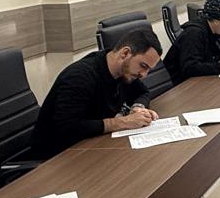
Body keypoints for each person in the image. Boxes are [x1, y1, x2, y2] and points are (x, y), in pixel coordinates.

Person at [31, 27, 162, 158]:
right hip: (56, 157)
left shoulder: (124, 72)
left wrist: (138, 108)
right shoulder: (80, 77)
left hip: (92, 146)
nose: (144, 74)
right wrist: (124, 122)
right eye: (143, 66)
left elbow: (142, 92)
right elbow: (68, 128)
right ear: (125, 53)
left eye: (148, 69)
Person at [164, 0, 220, 82]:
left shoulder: (216, 30)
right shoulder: (194, 33)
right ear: (217, 20)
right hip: (180, 85)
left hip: (199, 80)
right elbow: (190, 68)